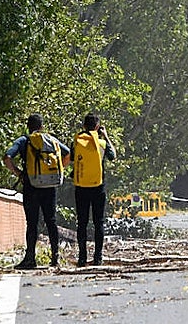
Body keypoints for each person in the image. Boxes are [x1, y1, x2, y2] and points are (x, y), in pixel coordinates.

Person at [3, 113, 70, 269]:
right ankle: (55, 257)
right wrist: (57, 170)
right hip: (50, 187)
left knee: (32, 223)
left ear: (28, 126)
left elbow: (7, 157)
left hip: (31, 186)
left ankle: (30, 259)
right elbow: (68, 154)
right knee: (51, 221)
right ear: (42, 126)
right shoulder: (51, 140)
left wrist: (19, 173)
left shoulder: (24, 140)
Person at [71, 113, 117, 266]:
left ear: (84, 126)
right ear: (97, 127)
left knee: (82, 223)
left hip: (81, 187)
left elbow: (72, 158)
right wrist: (106, 136)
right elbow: (113, 156)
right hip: (98, 187)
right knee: (99, 223)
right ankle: (98, 257)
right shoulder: (102, 143)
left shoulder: (77, 141)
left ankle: (82, 258)